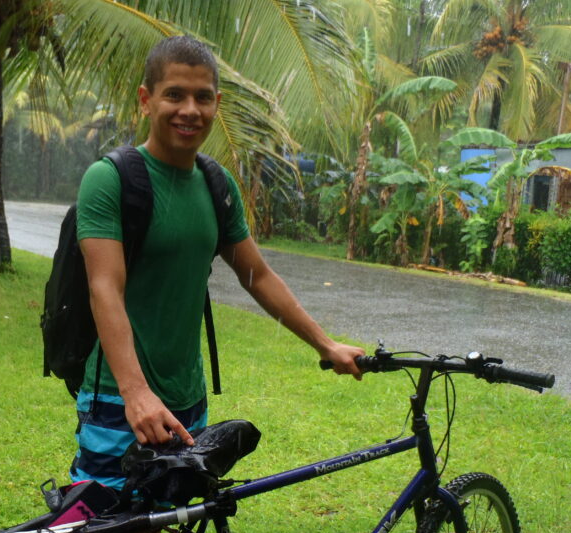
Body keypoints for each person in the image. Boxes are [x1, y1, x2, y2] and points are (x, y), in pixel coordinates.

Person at [71, 35, 366, 489]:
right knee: (100, 531)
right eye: (175, 95)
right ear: (146, 100)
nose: (190, 110)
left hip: (188, 398)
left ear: (217, 103)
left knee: (164, 524)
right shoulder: (108, 180)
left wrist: (325, 345)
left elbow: (258, 276)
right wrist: (136, 393)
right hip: (118, 397)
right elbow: (104, 287)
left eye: (203, 97)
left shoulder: (216, 184)